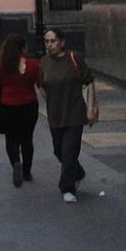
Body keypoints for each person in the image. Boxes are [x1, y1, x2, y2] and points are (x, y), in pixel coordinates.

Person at [38, 28, 99, 203]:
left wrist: (90, 108)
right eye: (47, 41)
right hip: (55, 114)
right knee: (59, 150)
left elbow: (89, 81)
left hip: (74, 112)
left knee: (69, 150)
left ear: (62, 42)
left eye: (53, 41)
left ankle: (67, 188)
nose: (49, 45)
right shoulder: (44, 62)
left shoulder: (74, 58)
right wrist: (49, 101)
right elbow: (42, 85)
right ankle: (78, 172)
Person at [0, 34, 41, 187]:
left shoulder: (0, 65)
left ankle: (16, 162)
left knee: (11, 138)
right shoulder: (33, 65)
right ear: (23, 48)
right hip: (29, 104)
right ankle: (27, 171)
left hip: (8, 105)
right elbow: (40, 83)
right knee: (27, 139)